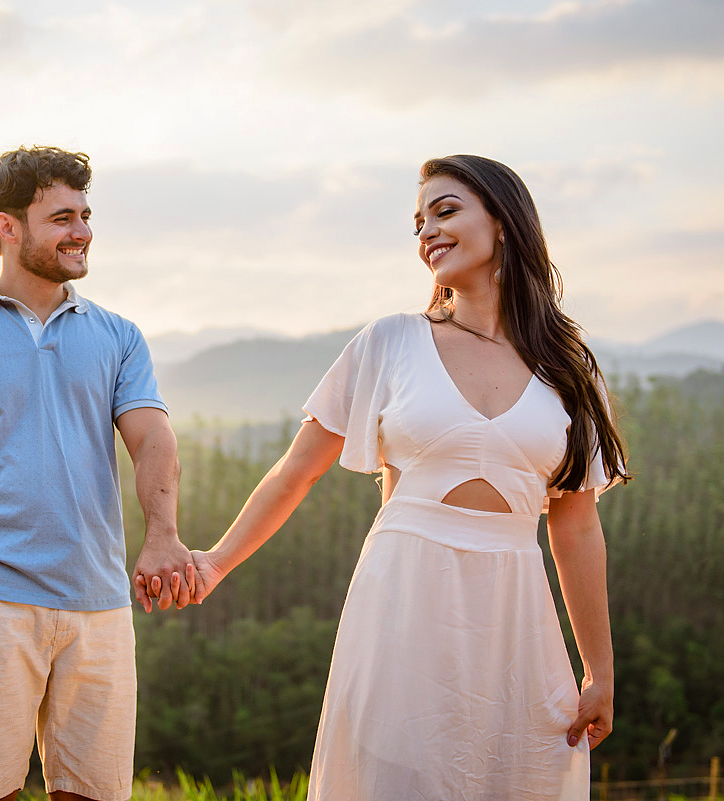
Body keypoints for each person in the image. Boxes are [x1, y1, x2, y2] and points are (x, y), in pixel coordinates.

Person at [160, 155, 629, 799]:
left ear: (504, 221)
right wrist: (216, 561)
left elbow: (575, 528)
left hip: (515, 614)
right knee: (396, 774)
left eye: (445, 211)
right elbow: (297, 471)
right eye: (418, 223)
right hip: (404, 596)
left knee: (518, 777)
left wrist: (598, 671)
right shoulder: (390, 342)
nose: (427, 232)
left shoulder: (570, 367)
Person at [0, 145, 196, 801]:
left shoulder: (118, 336)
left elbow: (152, 438)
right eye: (61, 218)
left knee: (94, 793)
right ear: (7, 226)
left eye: (85, 215)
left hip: (98, 604)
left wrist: (163, 534)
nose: (82, 231)